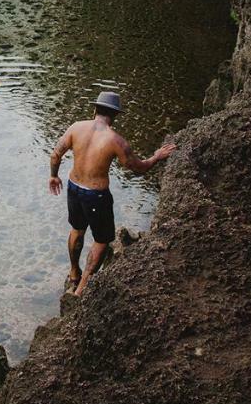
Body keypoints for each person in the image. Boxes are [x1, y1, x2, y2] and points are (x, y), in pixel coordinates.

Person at [48, 91, 176, 295]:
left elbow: (55, 155)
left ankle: (74, 273)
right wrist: (156, 156)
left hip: (73, 188)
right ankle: (80, 290)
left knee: (77, 229)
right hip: (96, 196)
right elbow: (139, 167)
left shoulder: (76, 127)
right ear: (115, 115)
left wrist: (54, 176)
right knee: (101, 240)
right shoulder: (117, 141)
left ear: (95, 109)